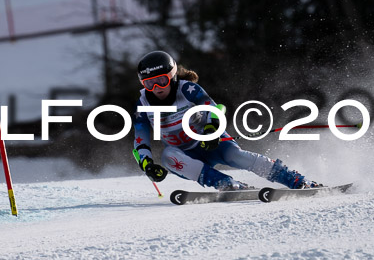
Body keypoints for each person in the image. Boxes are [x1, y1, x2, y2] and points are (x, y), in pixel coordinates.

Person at [132, 50, 323, 191]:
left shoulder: (187, 90)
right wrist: (147, 164)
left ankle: (295, 180)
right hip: (186, 154)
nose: (156, 87)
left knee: (235, 156)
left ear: (172, 76)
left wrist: (211, 130)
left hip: (211, 142)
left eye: (162, 81)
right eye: (149, 83)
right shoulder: (143, 104)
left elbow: (213, 109)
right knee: (168, 156)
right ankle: (226, 184)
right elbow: (140, 139)